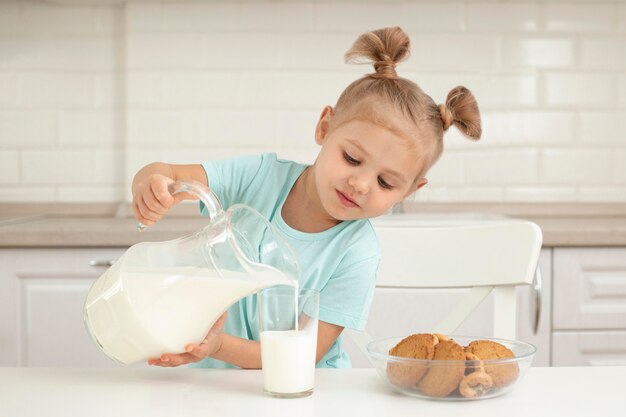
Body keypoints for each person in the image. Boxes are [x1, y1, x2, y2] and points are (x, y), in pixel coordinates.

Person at [131, 26, 481, 369]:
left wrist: (217, 346)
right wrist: (153, 184)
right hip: (209, 388)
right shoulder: (260, 176)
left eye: (386, 182)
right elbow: (169, 173)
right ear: (324, 127)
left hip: (306, 393)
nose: (360, 184)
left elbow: (301, 354)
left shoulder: (356, 253)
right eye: (352, 159)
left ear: (409, 190)